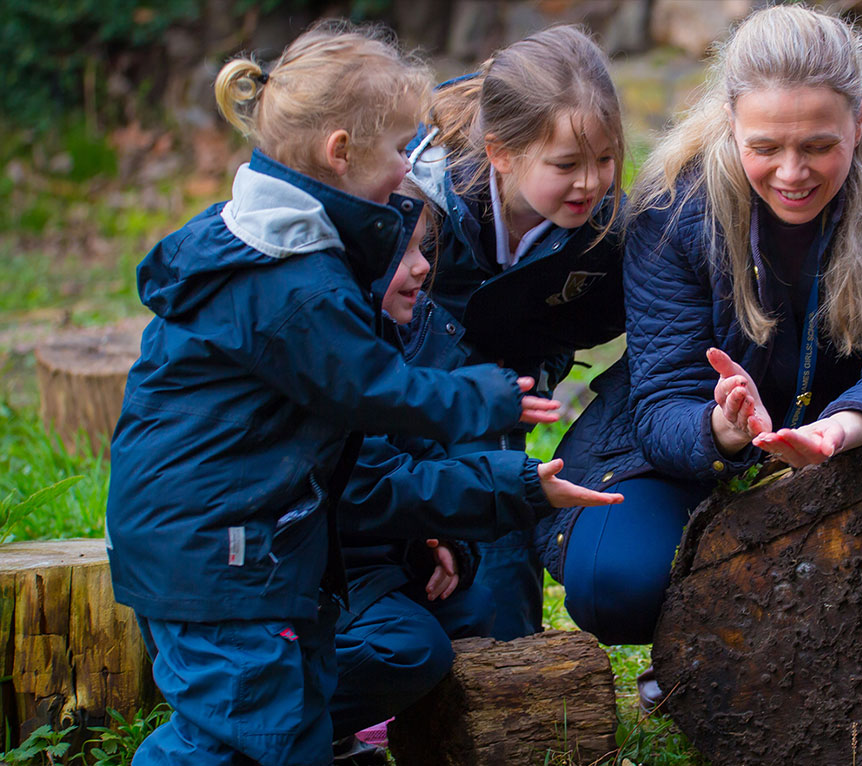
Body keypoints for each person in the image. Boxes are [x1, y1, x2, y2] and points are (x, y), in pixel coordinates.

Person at [105, 23, 547, 766]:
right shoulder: (289, 280)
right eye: (400, 148)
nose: (411, 165)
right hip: (216, 552)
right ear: (340, 152)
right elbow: (372, 391)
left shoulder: (281, 243)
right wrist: (485, 396)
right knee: (242, 735)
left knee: (297, 721)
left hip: (259, 545)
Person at [543, 5, 862, 707]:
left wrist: (847, 427)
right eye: (766, 146)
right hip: (711, 415)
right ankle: (691, 640)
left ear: (860, 122)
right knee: (613, 580)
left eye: (818, 145)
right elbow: (662, 396)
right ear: (729, 122)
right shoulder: (671, 202)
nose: (792, 172)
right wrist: (720, 430)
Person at [327, 192, 622, 764]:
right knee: (412, 650)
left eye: (424, 250)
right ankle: (280, 712)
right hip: (311, 565)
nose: (423, 268)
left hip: (362, 557)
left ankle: (361, 716)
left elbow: (414, 459)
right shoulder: (341, 352)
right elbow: (367, 486)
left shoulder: (404, 333)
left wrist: (442, 541)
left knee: (469, 606)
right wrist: (522, 487)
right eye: (404, 254)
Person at [401, 25, 631, 642]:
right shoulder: (417, 202)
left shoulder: (598, 229)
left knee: (497, 577)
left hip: (498, 408)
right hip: (399, 402)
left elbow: (573, 322)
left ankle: (504, 668)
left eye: (605, 160)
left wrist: (534, 379)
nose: (590, 182)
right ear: (502, 153)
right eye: (567, 165)